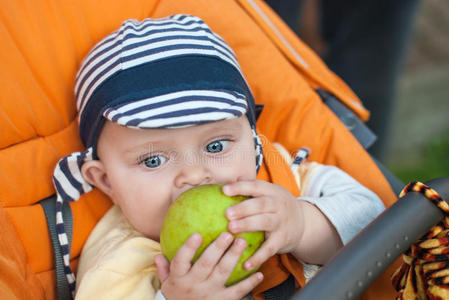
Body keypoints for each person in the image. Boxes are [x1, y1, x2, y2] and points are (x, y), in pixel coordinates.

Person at [52, 15, 385, 300]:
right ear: (106, 180)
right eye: (153, 160)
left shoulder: (284, 178)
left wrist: (302, 224)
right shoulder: (117, 265)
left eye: (215, 146)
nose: (195, 176)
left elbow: (375, 217)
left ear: (252, 139)